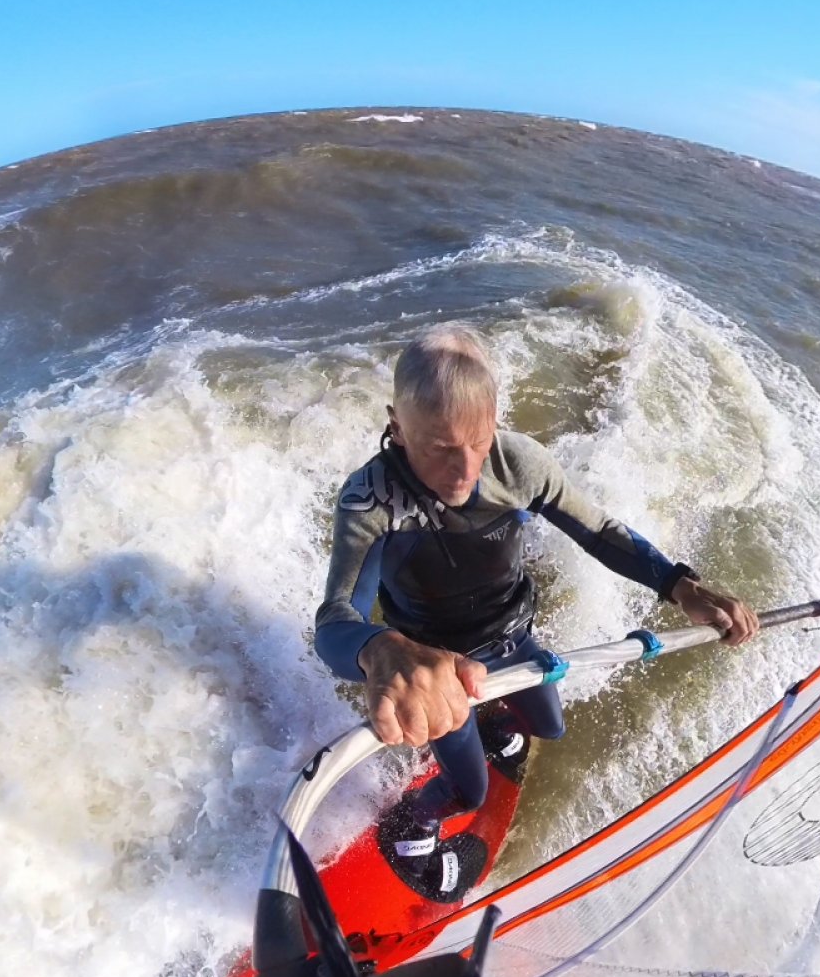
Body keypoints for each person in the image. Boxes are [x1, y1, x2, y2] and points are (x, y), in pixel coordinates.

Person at [312, 325, 759, 897]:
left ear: (495, 418)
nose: (464, 471)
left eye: (477, 441)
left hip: (515, 638)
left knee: (547, 726)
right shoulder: (371, 499)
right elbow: (334, 621)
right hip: (447, 670)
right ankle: (409, 822)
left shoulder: (520, 463)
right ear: (397, 426)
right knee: (469, 793)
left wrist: (681, 585)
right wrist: (379, 649)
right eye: (441, 448)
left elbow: (597, 530)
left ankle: (497, 726)